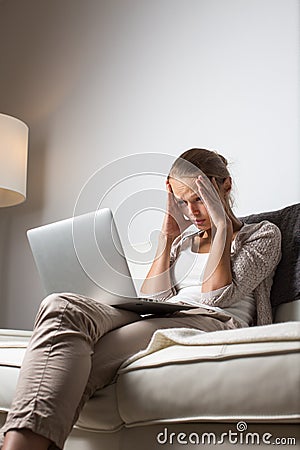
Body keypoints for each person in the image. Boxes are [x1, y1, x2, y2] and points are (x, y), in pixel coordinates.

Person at [1, 148, 281, 450]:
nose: (192, 211)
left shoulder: (262, 235)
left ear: (225, 186)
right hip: (165, 314)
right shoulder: (184, 241)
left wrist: (223, 226)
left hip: (213, 321)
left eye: (199, 199)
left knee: (86, 359)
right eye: (183, 202)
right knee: (61, 306)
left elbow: (215, 296)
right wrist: (168, 235)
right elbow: (152, 297)